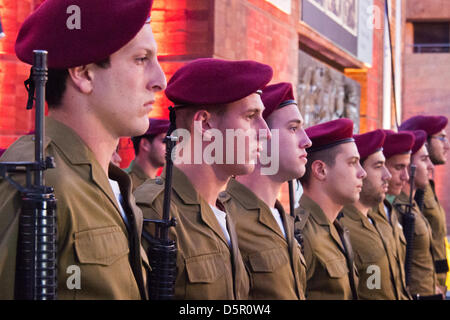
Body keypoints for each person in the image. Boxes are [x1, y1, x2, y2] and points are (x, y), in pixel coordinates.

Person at [0, 0, 166, 299]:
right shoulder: (33, 179)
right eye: (141, 59)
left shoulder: (116, 185)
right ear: (84, 74)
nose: (160, 81)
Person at [134, 58, 273, 299]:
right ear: (205, 124)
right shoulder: (154, 211)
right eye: (251, 116)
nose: (266, 132)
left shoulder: (224, 210)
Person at [219, 82, 311, 299]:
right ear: (262, 136)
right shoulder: (226, 217)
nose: (306, 141)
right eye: (293, 128)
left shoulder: (285, 220)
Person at [295, 118, 366, 300]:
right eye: (352, 162)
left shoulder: (337, 228)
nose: (362, 172)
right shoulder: (301, 234)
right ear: (321, 170)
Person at [340, 129, 410, 299]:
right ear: (360, 172)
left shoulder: (379, 222)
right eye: (379, 166)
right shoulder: (341, 227)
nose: (387, 176)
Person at [399, 115, 450, 293]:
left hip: (435, 286)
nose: (447, 145)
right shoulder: (412, 189)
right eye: (441, 137)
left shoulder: (427, 187)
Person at [391, 129, 441, 299]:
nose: (431, 166)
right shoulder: (399, 209)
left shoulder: (412, 206)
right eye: (424, 159)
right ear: (409, 167)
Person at [127, 118, 170, 191]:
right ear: (145, 144)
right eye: (164, 141)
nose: (171, 147)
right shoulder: (126, 183)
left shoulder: (164, 186)